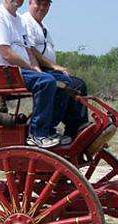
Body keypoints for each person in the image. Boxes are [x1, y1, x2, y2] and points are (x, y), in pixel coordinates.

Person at [0, 0, 66, 148]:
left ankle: (50, 129)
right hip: (4, 73)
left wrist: (37, 70)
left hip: (19, 71)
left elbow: (29, 51)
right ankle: (37, 134)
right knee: (46, 82)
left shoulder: (19, 20)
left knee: (64, 82)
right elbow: (6, 53)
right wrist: (32, 69)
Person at [22, 0, 89, 138]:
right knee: (63, 83)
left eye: (45, 4)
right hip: (36, 70)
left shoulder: (43, 27)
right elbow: (32, 51)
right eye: (38, 3)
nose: (41, 7)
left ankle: (77, 129)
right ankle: (44, 129)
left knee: (79, 84)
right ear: (29, 3)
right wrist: (54, 66)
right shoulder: (25, 22)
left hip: (48, 70)